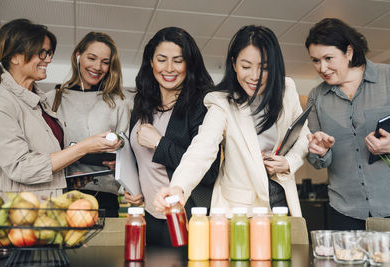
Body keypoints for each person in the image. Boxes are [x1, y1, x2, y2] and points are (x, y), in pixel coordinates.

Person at [154, 25, 309, 217]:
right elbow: (202, 148)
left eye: (264, 68)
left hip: (281, 198)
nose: (254, 76)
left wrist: (289, 162)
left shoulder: (287, 90)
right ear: (234, 64)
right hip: (240, 206)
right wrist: (179, 187)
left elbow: (303, 135)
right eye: (246, 66)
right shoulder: (221, 103)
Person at [0, 19, 121, 198]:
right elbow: (20, 167)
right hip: (20, 210)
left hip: (50, 205)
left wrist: (70, 177)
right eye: (41, 53)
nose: (49, 59)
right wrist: (83, 148)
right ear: (14, 56)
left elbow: (50, 159)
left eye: (49, 53)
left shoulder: (40, 103)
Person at [124, 27, 220, 246]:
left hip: (186, 216)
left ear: (190, 64)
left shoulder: (202, 105)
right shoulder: (142, 104)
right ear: (151, 62)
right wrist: (131, 186)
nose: (169, 68)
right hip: (148, 214)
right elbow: (141, 161)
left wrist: (159, 143)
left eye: (178, 60)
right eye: (161, 59)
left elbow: (210, 171)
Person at [305, 18, 390, 230]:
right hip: (345, 210)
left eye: (328, 58)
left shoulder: (387, 77)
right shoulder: (317, 97)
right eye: (315, 60)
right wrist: (320, 151)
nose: (322, 67)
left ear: (349, 52)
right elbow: (316, 161)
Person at [46, 32, 130, 217]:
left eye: (105, 62)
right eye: (91, 58)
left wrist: (120, 165)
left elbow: (127, 154)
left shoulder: (118, 103)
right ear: (78, 56)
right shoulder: (52, 100)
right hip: (61, 194)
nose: (97, 67)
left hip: (104, 197)